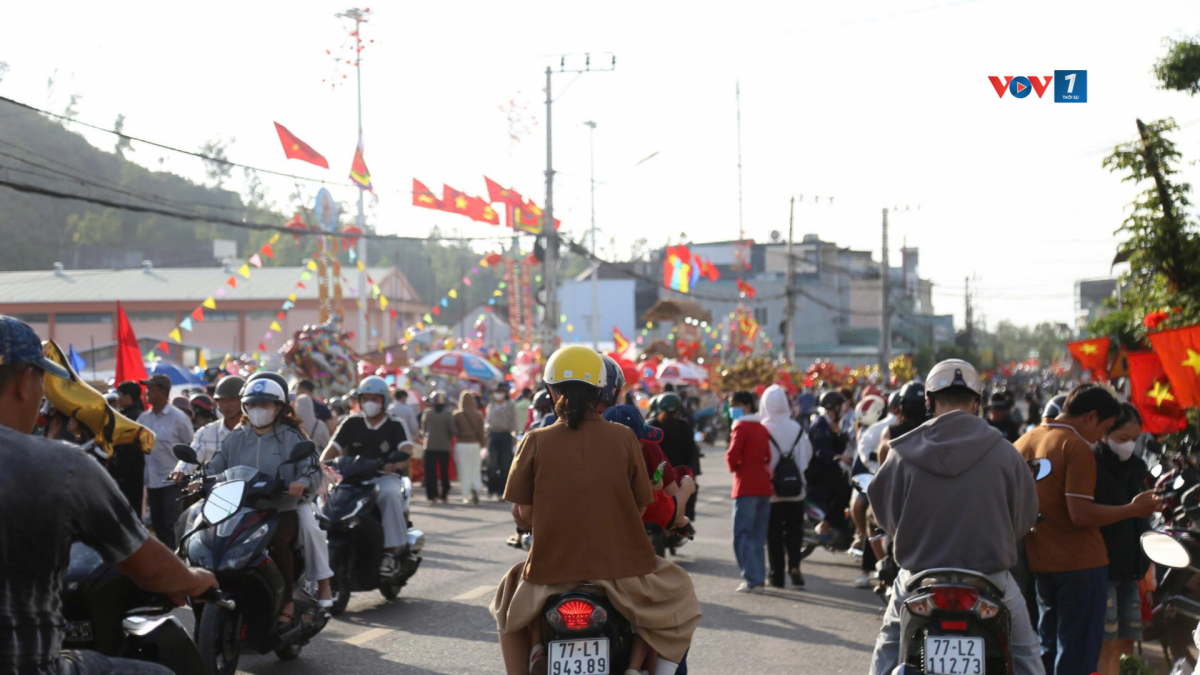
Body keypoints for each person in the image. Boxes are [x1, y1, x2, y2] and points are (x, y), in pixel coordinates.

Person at [0, 316, 218, 675]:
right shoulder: (63, 466)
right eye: (42, 381)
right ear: (25, 382)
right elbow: (148, 567)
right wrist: (194, 580)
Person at [490, 346, 701, 675]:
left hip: (550, 573)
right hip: (625, 572)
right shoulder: (624, 438)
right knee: (679, 594)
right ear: (601, 392)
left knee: (506, 604)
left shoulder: (534, 440)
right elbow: (642, 503)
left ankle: (532, 655)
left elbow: (524, 515)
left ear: (552, 391)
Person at [868, 359, 1043, 675]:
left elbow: (885, 515)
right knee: (1027, 654)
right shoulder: (1006, 453)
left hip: (918, 577)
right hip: (993, 579)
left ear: (930, 400)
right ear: (976, 402)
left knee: (889, 644)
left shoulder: (902, 452)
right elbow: (1024, 519)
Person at [1016, 384, 1160, 675]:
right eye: (1106, 427)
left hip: (1042, 563)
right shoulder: (1076, 447)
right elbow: (1080, 514)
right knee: (1078, 655)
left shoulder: (1023, 443)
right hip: (1081, 566)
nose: (1100, 438)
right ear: (1091, 417)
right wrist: (1132, 509)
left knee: (1050, 646)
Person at [199, 375, 316, 628]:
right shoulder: (236, 437)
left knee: (277, 544)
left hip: (279, 510)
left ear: (280, 408)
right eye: (252, 404)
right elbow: (216, 466)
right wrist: (198, 479)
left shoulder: (292, 437)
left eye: (264, 405)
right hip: (238, 510)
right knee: (208, 542)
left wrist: (302, 482)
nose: (257, 410)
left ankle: (286, 603)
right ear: (245, 407)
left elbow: (312, 467)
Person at [322, 376, 414, 575]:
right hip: (351, 480)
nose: (369, 403)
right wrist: (320, 467)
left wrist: (395, 463)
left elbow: (406, 451)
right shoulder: (350, 422)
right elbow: (332, 450)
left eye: (375, 398)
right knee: (327, 500)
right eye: (365, 398)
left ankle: (389, 553)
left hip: (384, 478)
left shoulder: (395, 424)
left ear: (384, 401)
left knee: (389, 495)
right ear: (359, 400)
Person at [1093, 404, 1149, 675]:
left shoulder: (1138, 468)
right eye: (1123, 439)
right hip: (1103, 568)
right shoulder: (1092, 465)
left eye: (1135, 439)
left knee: (1126, 639)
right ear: (1106, 433)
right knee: (1106, 643)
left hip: (1131, 568)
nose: (1129, 446)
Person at [761, 384, 811, 589]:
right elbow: (806, 456)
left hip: (771, 492)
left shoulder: (762, 428)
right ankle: (795, 566)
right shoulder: (796, 428)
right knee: (794, 531)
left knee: (773, 534)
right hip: (795, 491)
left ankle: (776, 575)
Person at [137, 374, 194, 549]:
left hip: (172, 482)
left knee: (172, 526)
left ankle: (179, 565)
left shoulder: (179, 418)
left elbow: (192, 448)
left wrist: (186, 475)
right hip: (152, 481)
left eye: (151, 390)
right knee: (158, 526)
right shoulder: (144, 418)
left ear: (163, 392)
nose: (147, 393)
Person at [724, 390, 773, 593]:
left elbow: (731, 457)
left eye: (733, 405)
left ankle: (752, 578)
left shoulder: (741, 427)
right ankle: (759, 576)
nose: (731, 409)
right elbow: (768, 456)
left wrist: (737, 466)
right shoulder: (761, 427)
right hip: (763, 486)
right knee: (758, 537)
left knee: (742, 535)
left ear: (745, 406)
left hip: (745, 486)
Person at [850, 393, 887, 588]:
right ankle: (870, 568)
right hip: (877, 482)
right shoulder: (877, 430)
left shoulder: (894, 428)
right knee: (869, 515)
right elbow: (862, 461)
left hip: (906, 487)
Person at [805, 390, 853, 542]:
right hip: (820, 471)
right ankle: (824, 525)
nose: (841, 409)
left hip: (829, 468)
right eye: (839, 406)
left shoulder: (830, 424)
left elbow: (838, 444)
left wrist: (839, 434)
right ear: (832, 407)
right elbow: (821, 450)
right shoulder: (820, 423)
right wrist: (837, 457)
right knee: (845, 490)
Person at [651, 392, 702, 521]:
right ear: (679, 410)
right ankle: (684, 522)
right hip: (675, 476)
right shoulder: (684, 426)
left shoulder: (651, 426)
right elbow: (692, 452)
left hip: (657, 476)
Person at [109, 381, 148, 516]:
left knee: (130, 510)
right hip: (130, 470)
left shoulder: (131, 418)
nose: (117, 399)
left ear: (127, 397)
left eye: (119, 395)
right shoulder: (132, 415)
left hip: (130, 471)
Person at [421, 391, 457, 504]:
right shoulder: (448, 414)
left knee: (430, 473)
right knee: (444, 472)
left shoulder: (427, 413)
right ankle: (444, 495)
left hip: (429, 446)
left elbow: (424, 429)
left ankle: (432, 496)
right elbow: (453, 430)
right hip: (444, 447)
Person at [486, 381, 518, 500]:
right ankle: (491, 488)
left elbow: (515, 421)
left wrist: (514, 437)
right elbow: (487, 421)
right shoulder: (491, 405)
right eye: (497, 392)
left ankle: (501, 492)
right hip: (493, 436)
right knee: (492, 465)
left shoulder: (511, 405)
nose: (498, 394)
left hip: (506, 436)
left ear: (505, 393)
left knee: (505, 466)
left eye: (501, 392)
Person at [454, 389, 486, 505]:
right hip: (475, 444)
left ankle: (466, 495)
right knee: (475, 469)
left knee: (464, 470)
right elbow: (481, 432)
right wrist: (483, 445)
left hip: (461, 444)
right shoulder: (478, 415)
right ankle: (475, 489)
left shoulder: (457, 415)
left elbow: (454, 431)